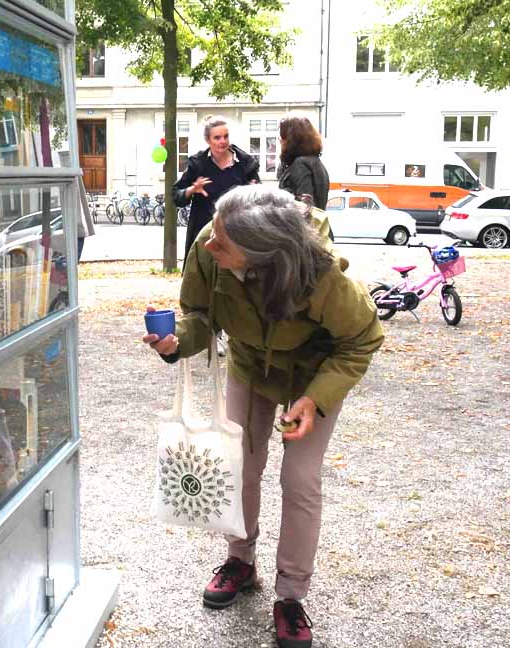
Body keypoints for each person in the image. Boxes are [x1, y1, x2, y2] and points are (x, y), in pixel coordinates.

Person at [141, 185, 383, 648]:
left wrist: (316, 399)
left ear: (262, 254)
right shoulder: (214, 240)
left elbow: (363, 338)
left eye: (223, 244)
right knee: (240, 468)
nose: (210, 243)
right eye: (215, 232)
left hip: (310, 378)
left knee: (300, 479)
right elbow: (199, 315)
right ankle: (240, 561)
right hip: (252, 367)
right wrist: (177, 343)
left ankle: (290, 596)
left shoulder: (321, 275)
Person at [174, 115, 260, 263]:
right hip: (204, 230)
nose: (223, 141)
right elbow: (176, 195)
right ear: (208, 140)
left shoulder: (245, 164)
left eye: (226, 137)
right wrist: (192, 190)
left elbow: (259, 198)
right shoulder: (198, 164)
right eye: (217, 138)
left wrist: (253, 191)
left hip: (236, 232)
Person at [276, 115, 329, 210]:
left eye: (282, 136)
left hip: (300, 223)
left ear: (290, 139)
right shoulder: (314, 161)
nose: (279, 140)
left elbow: (304, 205)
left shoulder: (300, 164)